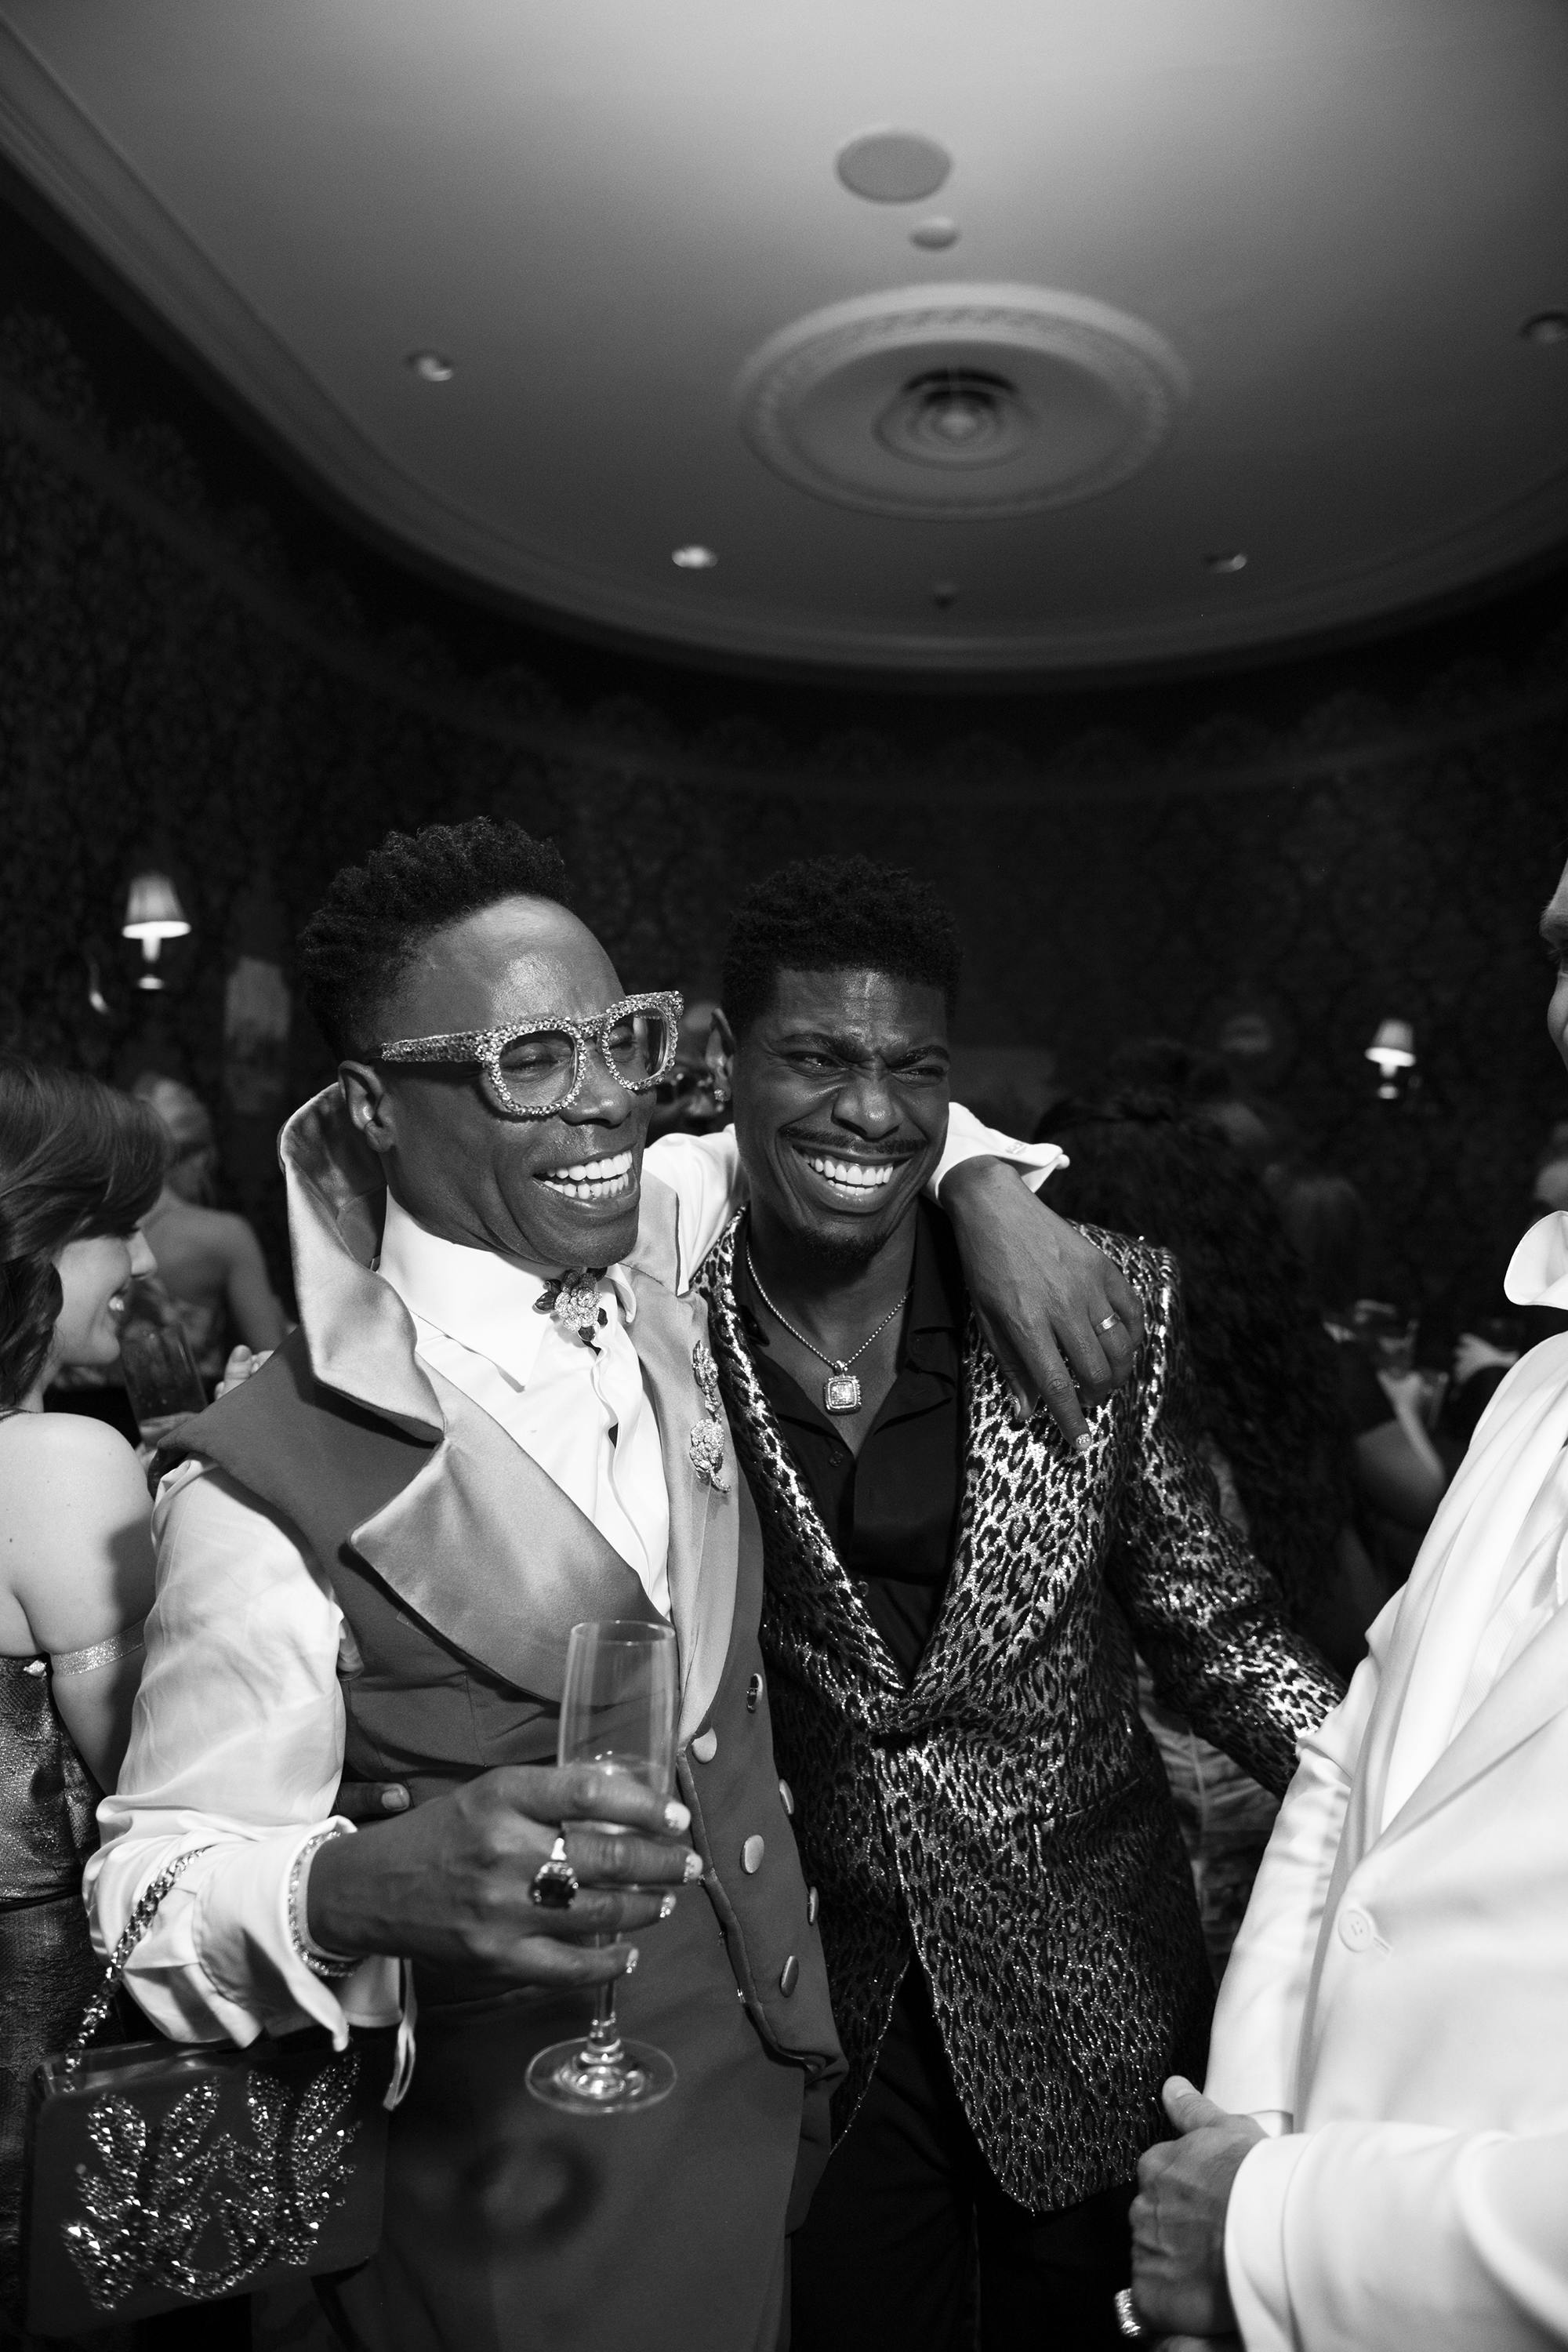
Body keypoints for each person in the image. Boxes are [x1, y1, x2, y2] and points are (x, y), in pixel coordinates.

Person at [86, 818, 1144, 2352]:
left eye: (621, 1041)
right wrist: (348, 1890)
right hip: (504, 2214)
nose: (604, 1099)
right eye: (528, 1060)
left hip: (764, 2136)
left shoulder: (662, 1277)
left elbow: (851, 1114)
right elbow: (147, 1892)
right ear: (374, 1106)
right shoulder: (265, 1476)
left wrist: (988, 1185)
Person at [689, 858, 1343, 2352]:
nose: (870, 1111)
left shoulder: (1091, 1297)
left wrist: (1397, 1798)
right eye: (820, 1059)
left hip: (1100, 2002)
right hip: (822, 2019)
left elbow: (1214, 1626)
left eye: (914, 1071)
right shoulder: (669, 1311)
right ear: (729, 1065)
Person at [1126, 851, 1568, 2352]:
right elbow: (1346, 1775)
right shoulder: (1537, 1391)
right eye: (1561, 956)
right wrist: (1249, 2141)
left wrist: (1279, 2233)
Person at [1042, 1094, 1388, 1973]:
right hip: (1274, 1805)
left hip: (1162, 1824)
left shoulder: (1106, 1401)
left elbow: (1212, 1637)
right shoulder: (1275, 1389)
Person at [0, 1057, 165, 2326]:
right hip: (34, 2026)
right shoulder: (59, 1460)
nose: (146, 1263)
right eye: (122, 1230)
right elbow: (151, 1761)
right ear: (38, 1244)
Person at [1276, 1170, 1446, 1576]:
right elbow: (1425, 1496)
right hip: (1334, 1575)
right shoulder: (1335, 1363)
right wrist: (1405, 1404)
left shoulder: (1273, 1334)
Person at [131, 1075, 289, 1385]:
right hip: (190, 1409)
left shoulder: (90, 1226)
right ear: (200, 1157)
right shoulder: (226, 1236)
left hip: (77, 1410)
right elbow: (271, 1359)